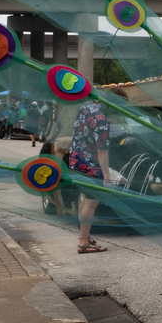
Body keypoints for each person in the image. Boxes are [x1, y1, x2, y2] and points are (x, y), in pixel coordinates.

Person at [68, 98, 110, 254]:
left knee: (85, 200)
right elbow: (102, 150)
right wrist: (106, 175)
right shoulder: (101, 120)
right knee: (91, 202)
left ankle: (85, 236)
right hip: (91, 165)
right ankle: (83, 243)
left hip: (76, 160)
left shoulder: (85, 109)